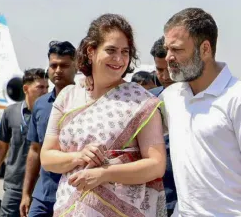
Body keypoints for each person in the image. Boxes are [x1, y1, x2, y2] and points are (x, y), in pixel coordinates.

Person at [40, 13, 167, 216]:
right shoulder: (68, 96)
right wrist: (78, 157)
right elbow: (47, 157)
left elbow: (156, 165)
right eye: (111, 50)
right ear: (91, 51)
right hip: (70, 207)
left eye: (125, 52)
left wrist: (103, 174)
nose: (119, 59)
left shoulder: (141, 101)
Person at [160, 8, 241, 216]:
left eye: (177, 50)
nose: (168, 57)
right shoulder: (171, 97)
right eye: (167, 49)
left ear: (205, 49)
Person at [0, 69, 48, 217]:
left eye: (47, 87)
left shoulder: (51, 113)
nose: (45, 91)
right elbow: (1, 148)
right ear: (26, 89)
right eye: (40, 87)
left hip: (41, 189)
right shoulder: (10, 113)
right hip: (14, 187)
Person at [20, 41, 77, 217]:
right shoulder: (40, 105)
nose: (58, 70)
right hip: (43, 195)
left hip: (74, 194)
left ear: (76, 66)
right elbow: (35, 150)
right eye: (54, 65)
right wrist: (26, 194)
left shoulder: (86, 101)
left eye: (64, 65)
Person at [148, 36, 177, 217]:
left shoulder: (197, 100)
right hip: (155, 194)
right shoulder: (148, 100)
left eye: (169, 70)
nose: (165, 76)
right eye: (159, 70)